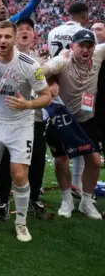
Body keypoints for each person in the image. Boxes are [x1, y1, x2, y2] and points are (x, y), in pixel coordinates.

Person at [0, 20, 51, 242]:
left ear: (15, 39)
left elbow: (46, 95)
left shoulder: (29, 64)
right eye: (0, 37)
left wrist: (28, 105)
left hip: (20, 124)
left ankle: (21, 222)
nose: (3, 41)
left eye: (7, 37)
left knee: (19, 173)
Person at [42, 29, 104, 220]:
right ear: (72, 47)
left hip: (86, 120)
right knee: (62, 160)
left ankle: (86, 201)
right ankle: (66, 199)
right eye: (81, 46)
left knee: (94, 160)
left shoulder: (99, 55)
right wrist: (51, 82)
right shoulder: (63, 61)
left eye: (89, 45)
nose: (85, 50)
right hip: (62, 118)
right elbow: (39, 71)